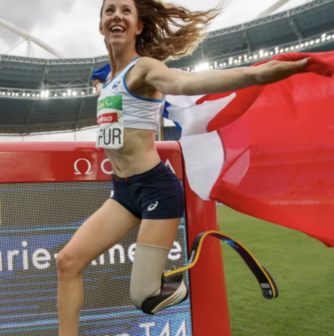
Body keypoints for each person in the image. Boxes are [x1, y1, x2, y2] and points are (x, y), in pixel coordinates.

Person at [55, 0, 309, 335]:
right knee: (67, 262)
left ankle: (176, 282)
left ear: (139, 26)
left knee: (143, 296)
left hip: (156, 189)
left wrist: (257, 73)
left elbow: (189, 83)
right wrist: (100, 84)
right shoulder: (105, 78)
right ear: (101, 25)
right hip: (123, 190)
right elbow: (105, 89)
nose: (117, 15)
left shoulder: (144, 69)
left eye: (126, 10)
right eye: (109, 10)